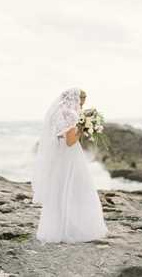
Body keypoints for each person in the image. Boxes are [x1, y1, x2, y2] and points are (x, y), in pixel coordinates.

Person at [31, 87, 109, 244]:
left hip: (59, 158)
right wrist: (82, 128)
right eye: (81, 102)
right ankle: (76, 230)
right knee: (77, 190)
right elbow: (70, 141)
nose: (80, 106)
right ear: (75, 99)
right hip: (70, 158)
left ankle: (58, 228)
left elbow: (61, 137)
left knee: (60, 191)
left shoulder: (58, 112)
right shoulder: (69, 114)